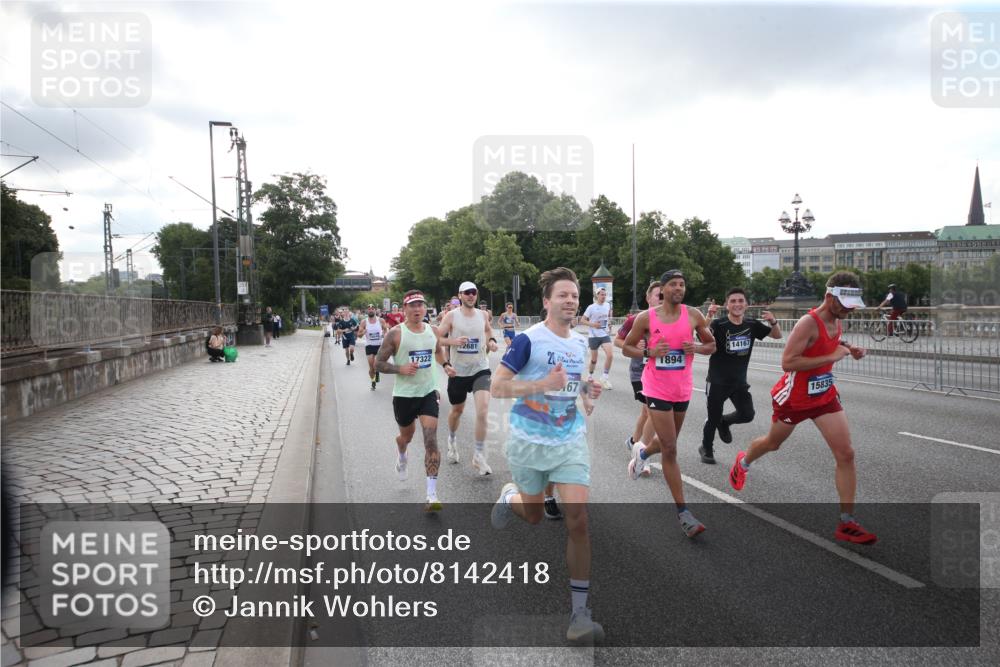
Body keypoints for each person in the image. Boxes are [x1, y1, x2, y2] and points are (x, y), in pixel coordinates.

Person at [490, 267, 605, 645]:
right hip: (528, 442)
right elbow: (499, 387)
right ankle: (510, 497)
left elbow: (572, 385)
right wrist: (543, 383)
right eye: (563, 295)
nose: (570, 300)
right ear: (546, 301)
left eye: (574, 295)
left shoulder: (580, 343)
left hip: (569, 441)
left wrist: (587, 391)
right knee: (536, 515)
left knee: (578, 520)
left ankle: (579, 614)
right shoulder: (527, 340)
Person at [729, 272, 877, 544]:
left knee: (846, 453)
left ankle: (847, 522)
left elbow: (829, 343)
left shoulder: (837, 319)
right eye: (844, 302)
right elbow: (788, 362)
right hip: (794, 397)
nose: (848, 308)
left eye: (852, 303)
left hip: (823, 395)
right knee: (773, 444)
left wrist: (849, 347)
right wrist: (832, 355)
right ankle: (745, 460)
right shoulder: (808, 322)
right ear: (829, 296)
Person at [622, 269, 716, 538]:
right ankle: (684, 514)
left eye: (682, 284)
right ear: (663, 290)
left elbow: (712, 345)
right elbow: (627, 347)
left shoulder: (694, 315)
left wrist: (695, 348)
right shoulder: (646, 317)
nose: (679, 288)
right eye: (673, 284)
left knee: (667, 441)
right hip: (656, 387)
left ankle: (641, 454)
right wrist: (649, 352)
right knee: (671, 449)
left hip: (682, 388)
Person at [375, 291, 456, 511]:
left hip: (428, 392)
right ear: (404, 309)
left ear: (425, 308)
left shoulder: (432, 330)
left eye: (421, 305)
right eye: (412, 306)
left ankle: (432, 495)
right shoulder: (395, 334)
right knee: (406, 436)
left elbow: (437, 351)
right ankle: (402, 454)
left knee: (430, 439)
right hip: (404, 396)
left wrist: (446, 365)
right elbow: (379, 364)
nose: (417, 309)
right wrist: (399, 368)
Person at [699, 288, 782, 464]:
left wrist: (773, 322)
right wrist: (709, 317)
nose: (737, 304)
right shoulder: (719, 325)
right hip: (717, 381)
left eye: (740, 301)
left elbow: (777, 336)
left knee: (747, 414)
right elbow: (702, 337)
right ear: (727, 305)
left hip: (739, 382)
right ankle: (706, 447)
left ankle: (725, 422)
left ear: (746, 304)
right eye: (733, 301)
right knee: (712, 417)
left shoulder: (751, 324)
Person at [437, 281, 498, 476]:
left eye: (474, 292)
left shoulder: (483, 315)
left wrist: (492, 341)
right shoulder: (452, 316)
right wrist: (452, 341)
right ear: (460, 295)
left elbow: (488, 330)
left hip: (480, 368)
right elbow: (437, 338)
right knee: (457, 411)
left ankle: (479, 455)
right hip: (459, 372)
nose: (471, 296)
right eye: (467, 293)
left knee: (483, 410)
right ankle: (452, 440)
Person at [614, 280, 662, 475]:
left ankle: (634, 442)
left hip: (660, 374)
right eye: (658, 295)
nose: (662, 299)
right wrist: (637, 349)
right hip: (639, 373)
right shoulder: (636, 319)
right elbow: (618, 340)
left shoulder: (670, 321)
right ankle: (642, 457)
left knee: (646, 413)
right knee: (652, 413)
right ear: (648, 298)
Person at [580, 288, 614, 389]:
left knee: (610, 355)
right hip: (593, 336)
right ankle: (590, 375)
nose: (603, 296)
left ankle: (604, 377)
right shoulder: (591, 307)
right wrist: (593, 324)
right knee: (594, 360)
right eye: (602, 295)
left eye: (605, 295)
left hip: (604, 334)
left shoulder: (608, 305)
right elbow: (582, 320)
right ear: (597, 296)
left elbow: (606, 318)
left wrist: (609, 324)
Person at [362, 307, 388, 390]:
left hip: (379, 344)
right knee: (371, 366)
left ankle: (377, 371)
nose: (371, 310)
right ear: (367, 311)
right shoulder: (364, 322)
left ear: (375, 310)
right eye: (369, 309)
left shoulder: (380, 320)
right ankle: (373, 381)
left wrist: (384, 334)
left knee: (376, 364)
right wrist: (363, 332)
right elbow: (358, 334)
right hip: (369, 345)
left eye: (372, 309)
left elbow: (385, 329)